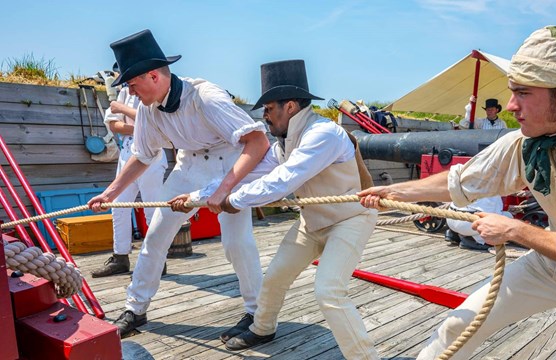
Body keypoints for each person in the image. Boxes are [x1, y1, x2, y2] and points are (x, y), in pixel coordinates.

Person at [359, 25, 556, 359]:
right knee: (459, 327)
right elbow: (462, 181)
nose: (509, 105)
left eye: (522, 93)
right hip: (554, 267)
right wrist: (397, 194)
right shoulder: (528, 139)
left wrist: (514, 229)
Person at [170, 59, 379, 359]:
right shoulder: (284, 143)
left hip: (350, 219)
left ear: (290, 106)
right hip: (313, 221)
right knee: (275, 279)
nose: (264, 117)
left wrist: (231, 202)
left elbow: (281, 181)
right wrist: (195, 197)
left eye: (268, 109)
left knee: (329, 291)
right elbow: (251, 176)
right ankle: (262, 327)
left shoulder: (322, 134)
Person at [88, 29, 270, 338]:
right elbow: (144, 156)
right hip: (188, 165)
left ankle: (258, 314)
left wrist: (223, 189)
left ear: (153, 77)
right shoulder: (148, 110)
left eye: (132, 84)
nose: (130, 92)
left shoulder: (206, 97)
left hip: (230, 164)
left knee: (236, 244)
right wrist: (110, 192)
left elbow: (257, 141)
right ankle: (136, 309)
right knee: (155, 238)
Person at [91, 62, 168, 278]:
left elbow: (155, 121)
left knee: (152, 208)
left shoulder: (153, 92)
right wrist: (141, 125)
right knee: (119, 207)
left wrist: (123, 110)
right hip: (127, 155)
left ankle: (156, 259)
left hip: (151, 157)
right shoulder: (125, 92)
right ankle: (120, 257)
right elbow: (114, 125)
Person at [445, 196, 513, 251]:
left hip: (451, 218)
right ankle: (475, 240)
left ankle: (453, 234)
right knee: (508, 217)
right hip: (469, 224)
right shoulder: (496, 185)